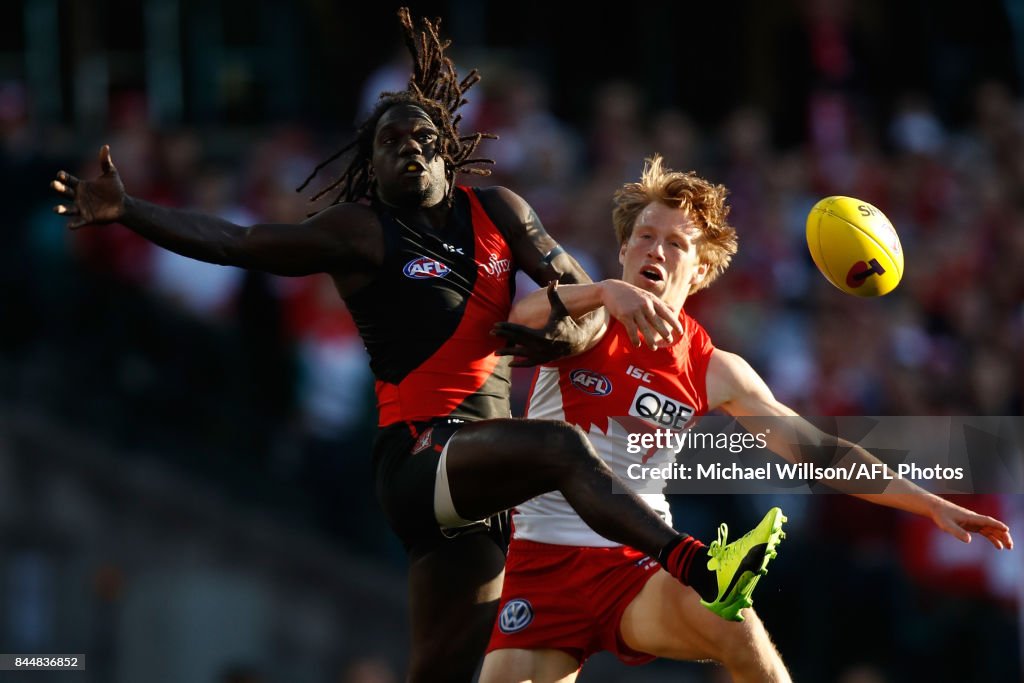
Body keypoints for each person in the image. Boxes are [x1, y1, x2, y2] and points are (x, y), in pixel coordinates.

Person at [50, 11, 784, 682]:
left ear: (447, 150)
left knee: (442, 669)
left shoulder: (500, 210)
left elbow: (579, 305)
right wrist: (128, 211)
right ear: (370, 162)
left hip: (485, 484)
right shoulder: (360, 230)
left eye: (420, 139)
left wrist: (576, 316)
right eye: (389, 143)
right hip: (420, 455)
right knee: (560, 446)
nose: (407, 150)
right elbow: (241, 240)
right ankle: (695, 562)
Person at [482, 156, 1014, 683]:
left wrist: (927, 502)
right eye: (645, 236)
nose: (655, 250)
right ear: (623, 249)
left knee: (731, 617)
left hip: (637, 563)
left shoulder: (715, 370)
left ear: (701, 271)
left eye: (675, 244)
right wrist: (600, 291)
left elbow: (822, 452)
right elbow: (515, 324)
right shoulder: (590, 314)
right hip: (540, 563)